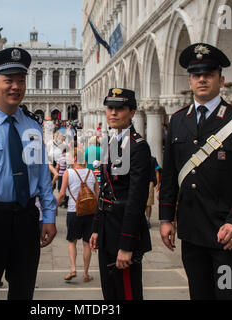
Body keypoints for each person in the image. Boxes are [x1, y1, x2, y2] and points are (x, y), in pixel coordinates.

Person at [159, 43, 232, 300]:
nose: (202, 79)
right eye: (196, 75)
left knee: (228, 296)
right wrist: (166, 218)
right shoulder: (178, 120)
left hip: (227, 236)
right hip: (192, 234)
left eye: (208, 74)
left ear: (221, 80)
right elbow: (170, 175)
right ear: (190, 81)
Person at [0, 47, 57, 300]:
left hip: (26, 219)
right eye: (9, 81)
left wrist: (48, 215)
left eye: (21, 80)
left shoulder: (32, 126)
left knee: (23, 291)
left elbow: (42, 177)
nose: (16, 86)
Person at [89, 88, 152, 300]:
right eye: (110, 108)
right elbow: (104, 189)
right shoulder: (111, 142)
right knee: (110, 292)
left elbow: (136, 200)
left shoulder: (138, 147)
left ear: (132, 112)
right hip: (108, 228)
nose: (113, 113)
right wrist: (97, 228)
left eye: (119, 108)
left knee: (127, 292)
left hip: (125, 230)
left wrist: (126, 245)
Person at [57, 147, 99, 283]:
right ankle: (86, 274)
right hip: (90, 213)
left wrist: (54, 207)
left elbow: (62, 194)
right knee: (87, 243)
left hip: (73, 212)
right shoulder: (91, 173)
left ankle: (73, 269)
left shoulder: (68, 173)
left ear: (75, 158)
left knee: (72, 241)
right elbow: (97, 195)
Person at [145, 156, 161, 229]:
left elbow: (157, 171)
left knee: (148, 203)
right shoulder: (137, 156)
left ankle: (147, 220)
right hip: (138, 182)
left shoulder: (152, 159)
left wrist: (157, 183)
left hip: (149, 182)